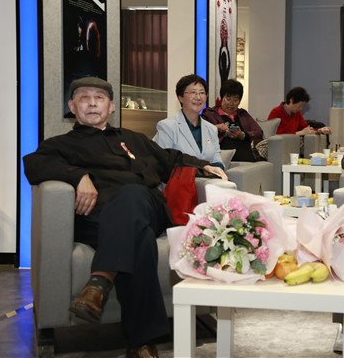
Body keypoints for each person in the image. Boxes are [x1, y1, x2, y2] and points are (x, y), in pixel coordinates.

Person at [23, 77, 226, 358]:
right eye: (84, 98)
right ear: (72, 106)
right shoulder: (60, 145)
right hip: (96, 219)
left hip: (147, 207)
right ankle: (142, 343)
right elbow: (34, 164)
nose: (92, 103)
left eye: (99, 98)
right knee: (139, 239)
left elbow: (171, 158)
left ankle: (100, 281)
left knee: (132, 195)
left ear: (111, 106)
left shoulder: (133, 139)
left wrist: (205, 166)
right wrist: (78, 176)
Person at [153, 74, 228, 176]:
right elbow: (163, 162)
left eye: (202, 93)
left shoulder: (211, 129)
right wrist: (201, 171)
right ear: (180, 97)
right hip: (179, 182)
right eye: (193, 93)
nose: (198, 97)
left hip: (207, 181)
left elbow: (217, 159)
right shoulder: (167, 126)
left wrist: (216, 169)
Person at [201, 79, 264, 162]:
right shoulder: (210, 114)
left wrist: (242, 135)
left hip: (246, 157)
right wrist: (217, 128)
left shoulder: (243, 114)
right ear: (222, 98)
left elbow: (259, 132)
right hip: (222, 157)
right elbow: (200, 131)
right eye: (228, 99)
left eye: (235, 100)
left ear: (239, 101)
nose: (231, 103)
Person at [268, 86, 332, 136]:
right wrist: (300, 133)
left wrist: (319, 130)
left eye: (302, 106)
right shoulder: (275, 112)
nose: (301, 108)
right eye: (300, 105)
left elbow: (306, 129)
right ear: (291, 100)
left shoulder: (297, 113)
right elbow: (275, 136)